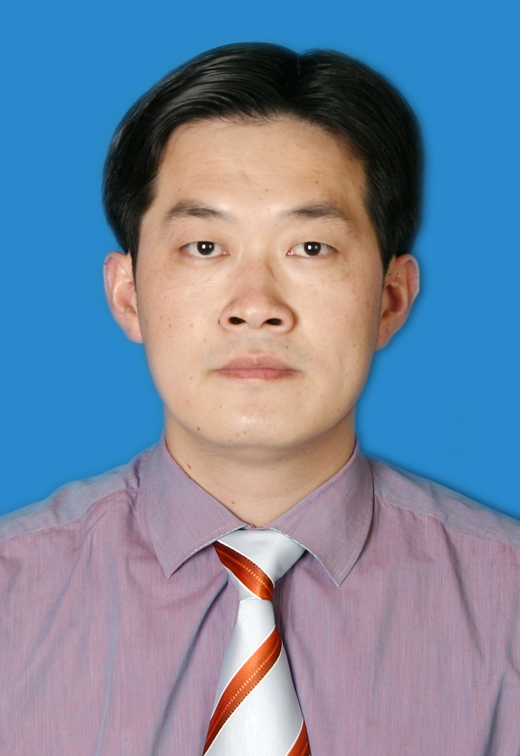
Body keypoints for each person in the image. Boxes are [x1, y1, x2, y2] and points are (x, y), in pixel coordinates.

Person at [1, 42, 519, 756]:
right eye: (204, 247)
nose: (255, 305)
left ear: (391, 299)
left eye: (311, 248)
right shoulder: (11, 597)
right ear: (128, 296)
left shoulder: (508, 605)